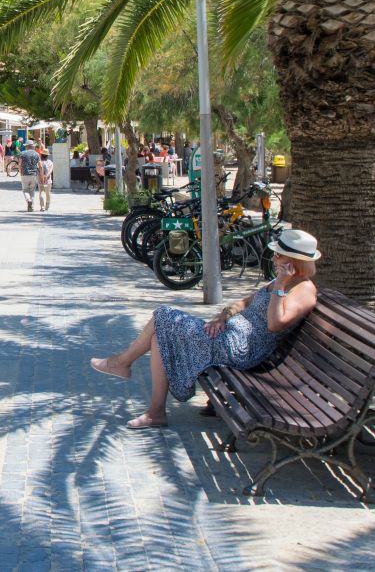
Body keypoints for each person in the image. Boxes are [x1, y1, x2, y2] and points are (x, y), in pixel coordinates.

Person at [90, 229, 321, 429]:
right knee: (159, 337)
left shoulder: (303, 290)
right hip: (227, 335)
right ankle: (156, 412)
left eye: (279, 255)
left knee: (163, 314)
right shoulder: (279, 282)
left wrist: (279, 286)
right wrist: (222, 317)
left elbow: (274, 324)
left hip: (243, 349)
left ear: (294, 261)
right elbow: (243, 303)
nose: (274, 257)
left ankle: (123, 362)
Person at [18, 141, 41, 211]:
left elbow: (20, 164)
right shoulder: (37, 154)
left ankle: (28, 200)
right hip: (34, 174)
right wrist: (41, 175)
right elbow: (40, 165)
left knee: (25, 190)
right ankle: (32, 207)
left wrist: (20, 172)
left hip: (24, 174)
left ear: (27, 146)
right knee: (32, 191)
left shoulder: (22, 153)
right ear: (33, 146)